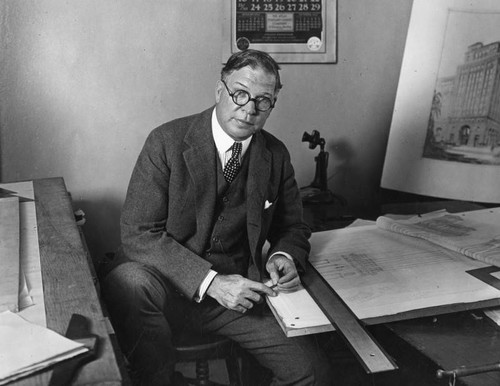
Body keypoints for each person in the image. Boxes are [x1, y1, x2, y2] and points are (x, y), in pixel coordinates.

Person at [102, 49, 333, 386]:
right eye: (240, 93)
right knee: (131, 283)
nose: (249, 108)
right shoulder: (166, 142)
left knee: (311, 372)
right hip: (161, 287)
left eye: (263, 100)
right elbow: (138, 234)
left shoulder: (275, 155)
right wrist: (211, 283)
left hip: (235, 298)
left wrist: (284, 256)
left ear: (272, 104)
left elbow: (293, 226)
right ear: (219, 90)